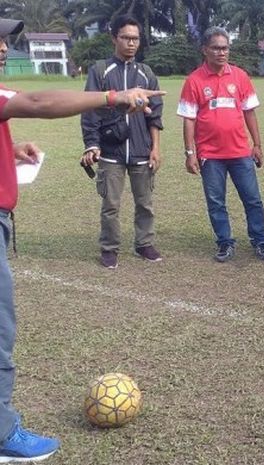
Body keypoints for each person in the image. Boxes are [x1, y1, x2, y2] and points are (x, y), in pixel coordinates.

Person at [0, 18, 163, 463]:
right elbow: (36, 100)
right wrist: (113, 97)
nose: (2, 48)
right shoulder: (102, 75)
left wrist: (10, 150)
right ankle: (1, 435)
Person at [177, 27, 264, 262]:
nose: (222, 52)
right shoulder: (194, 80)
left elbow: (250, 112)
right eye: (216, 48)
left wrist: (257, 145)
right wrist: (190, 152)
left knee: (252, 199)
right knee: (216, 202)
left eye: (225, 48)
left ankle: (260, 241)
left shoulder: (240, 76)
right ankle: (224, 243)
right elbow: (189, 119)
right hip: (210, 155)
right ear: (205, 50)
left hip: (240, 152)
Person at [80, 15, 164, 270]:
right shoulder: (99, 71)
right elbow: (89, 111)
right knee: (110, 205)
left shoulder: (146, 73)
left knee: (145, 203)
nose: (131, 43)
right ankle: (109, 248)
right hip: (110, 151)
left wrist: (156, 148)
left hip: (141, 150)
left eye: (135, 39)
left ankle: (144, 243)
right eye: (126, 38)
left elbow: (156, 116)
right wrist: (92, 144)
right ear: (114, 37)